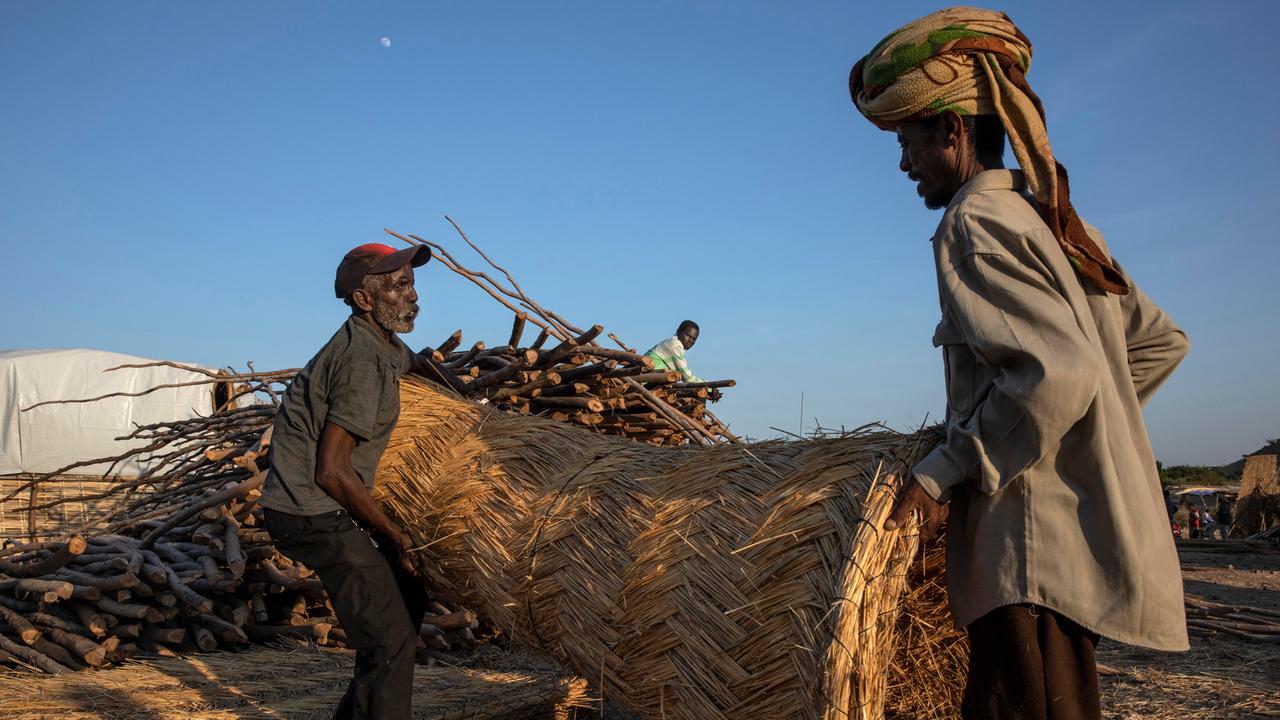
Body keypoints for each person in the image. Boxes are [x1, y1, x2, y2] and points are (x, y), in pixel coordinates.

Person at [852, 8, 1190, 719]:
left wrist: (941, 476)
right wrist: (1092, 443)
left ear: (950, 130)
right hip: (1063, 559)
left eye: (909, 140)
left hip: (1023, 559)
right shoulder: (1057, 222)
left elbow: (1058, 374)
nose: (903, 164)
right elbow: (1154, 343)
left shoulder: (973, 225)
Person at [260, 242, 462, 720]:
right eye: (398, 286)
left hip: (319, 507)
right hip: (307, 512)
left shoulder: (381, 342)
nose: (412, 295)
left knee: (404, 601)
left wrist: (473, 403)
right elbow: (331, 471)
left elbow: (415, 362)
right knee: (390, 638)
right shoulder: (359, 363)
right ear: (365, 300)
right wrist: (394, 532)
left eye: (412, 283)